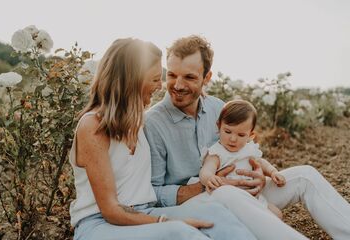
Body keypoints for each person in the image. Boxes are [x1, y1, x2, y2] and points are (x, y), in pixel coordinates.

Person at [144, 35, 350, 240]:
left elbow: (246, 150)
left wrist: (260, 176)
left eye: (189, 77)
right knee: (227, 194)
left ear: (207, 78)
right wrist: (206, 185)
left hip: (242, 190)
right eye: (171, 75)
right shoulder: (153, 123)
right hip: (199, 202)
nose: (178, 85)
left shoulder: (218, 107)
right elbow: (151, 193)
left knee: (305, 176)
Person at [69, 38, 257, 240]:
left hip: (144, 212)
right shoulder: (92, 126)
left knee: (216, 214)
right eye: (156, 78)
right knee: (180, 232)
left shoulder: (138, 121)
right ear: (133, 79)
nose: (161, 86)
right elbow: (111, 211)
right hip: (99, 224)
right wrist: (166, 222)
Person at [197, 99, 285, 219]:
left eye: (241, 135)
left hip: (251, 197)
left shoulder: (249, 150)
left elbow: (261, 163)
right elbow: (206, 170)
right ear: (219, 126)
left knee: (277, 214)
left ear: (251, 135)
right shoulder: (217, 153)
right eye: (227, 131)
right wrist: (209, 178)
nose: (233, 139)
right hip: (229, 201)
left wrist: (273, 172)